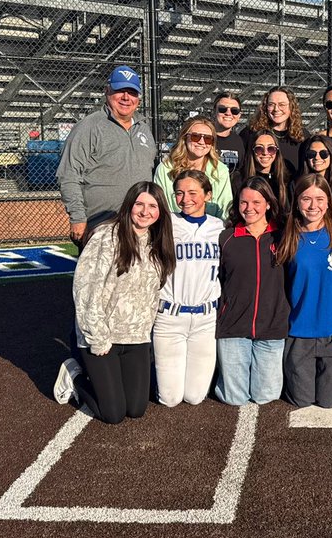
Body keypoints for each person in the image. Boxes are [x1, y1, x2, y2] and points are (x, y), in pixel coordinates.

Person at [70, 182, 175, 424]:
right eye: (139, 204)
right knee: (113, 413)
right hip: (104, 336)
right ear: (129, 205)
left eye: (152, 206)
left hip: (136, 336)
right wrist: (97, 337)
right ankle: (74, 376)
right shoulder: (106, 236)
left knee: (136, 409)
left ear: (160, 211)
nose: (145, 211)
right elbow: (85, 289)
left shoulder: (158, 243)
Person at [56, 65, 158, 248]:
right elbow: (69, 174)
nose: (126, 98)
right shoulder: (89, 127)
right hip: (101, 223)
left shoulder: (144, 128)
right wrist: (78, 216)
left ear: (139, 98)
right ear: (107, 91)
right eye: (120, 91)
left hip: (140, 224)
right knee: (98, 276)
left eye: (132, 92)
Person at [276, 174, 332, 409]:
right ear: (297, 201)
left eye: (320, 199)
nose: (313, 206)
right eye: (306, 199)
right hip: (300, 329)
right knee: (302, 400)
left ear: (329, 201)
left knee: (328, 401)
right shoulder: (287, 235)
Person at [215, 176, 290, 406]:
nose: (249, 208)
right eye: (244, 202)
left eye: (256, 202)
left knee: (265, 396)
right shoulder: (226, 237)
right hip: (234, 326)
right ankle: (219, 379)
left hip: (271, 327)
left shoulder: (283, 236)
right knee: (234, 398)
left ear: (268, 203)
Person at [154, 170, 224, 407]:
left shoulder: (220, 228)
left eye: (193, 192)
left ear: (208, 195)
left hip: (206, 319)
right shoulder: (165, 224)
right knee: (170, 399)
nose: (185, 199)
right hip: (170, 318)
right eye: (179, 193)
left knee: (194, 397)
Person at [153, 116, 233, 220]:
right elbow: (161, 206)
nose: (201, 142)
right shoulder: (166, 169)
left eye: (208, 139)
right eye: (196, 136)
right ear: (185, 138)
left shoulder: (220, 170)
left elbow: (225, 208)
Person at [240, 87, 306, 173]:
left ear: (291, 107)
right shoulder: (251, 133)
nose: (276, 109)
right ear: (265, 107)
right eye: (271, 104)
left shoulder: (302, 135)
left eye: (282, 104)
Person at [243, 129, 294, 212]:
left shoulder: (286, 179)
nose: (265, 153)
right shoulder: (241, 178)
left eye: (271, 148)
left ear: (277, 151)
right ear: (252, 151)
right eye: (259, 148)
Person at [213, 91, 245, 180]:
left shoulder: (239, 141)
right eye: (222, 109)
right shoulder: (203, 137)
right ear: (214, 111)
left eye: (234, 110)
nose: (228, 113)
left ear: (239, 115)